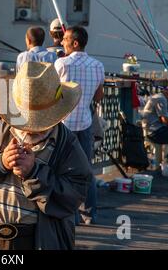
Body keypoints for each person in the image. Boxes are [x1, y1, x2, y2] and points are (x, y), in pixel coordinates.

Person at [0, 62, 92, 250]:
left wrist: (34, 173)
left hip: (34, 240)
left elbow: (75, 194)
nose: (30, 129)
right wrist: (0, 162)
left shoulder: (66, 143)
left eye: (38, 125)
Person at [54, 26, 105, 225]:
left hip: (63, 125)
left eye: (65, 39)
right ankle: (90, 214)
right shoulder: (98, 65)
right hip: (84, 124)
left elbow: (52, 92)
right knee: (86, 170)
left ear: (75, 43)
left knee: (61, 170)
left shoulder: (62, 64)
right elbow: (99, 96)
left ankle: (70, 215)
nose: (61, 42)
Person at [144, 83, 168, 186]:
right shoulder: (162, 99)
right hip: (154, 132)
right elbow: (164, 119)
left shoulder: (156, 96)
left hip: (149, 130)